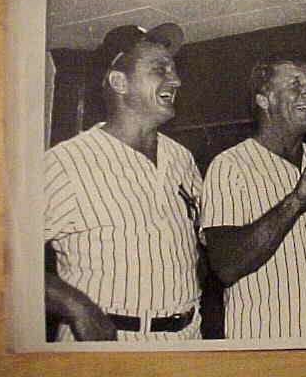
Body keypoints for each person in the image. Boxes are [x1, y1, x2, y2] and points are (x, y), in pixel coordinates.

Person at [44, 23, 205, 341]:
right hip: (110, 341)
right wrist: (77, 306)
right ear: (119, 82)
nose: (176, 80)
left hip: (186, 337)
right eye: (160, 69)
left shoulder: (181, 159)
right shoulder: (66, 163)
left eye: (173, 69)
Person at [200, 59, 306, 339]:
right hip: (267, 346)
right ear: (264, 100)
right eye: (295, 85)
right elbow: (226, 266)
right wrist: (297, 200)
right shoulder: (230, 166)